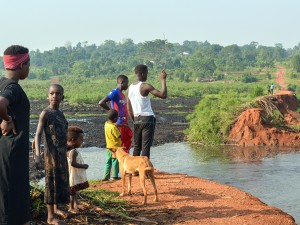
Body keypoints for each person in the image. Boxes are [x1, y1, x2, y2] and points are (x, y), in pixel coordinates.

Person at [0, 45, 31, 225]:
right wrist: (7, 118)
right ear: (21, 65)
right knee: (12, 192)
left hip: (5, 149)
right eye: (28, 63)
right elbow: (1, 104)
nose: (29, 68)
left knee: (6, 191)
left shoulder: (1, 83)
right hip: (13, 151)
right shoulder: (12, 88)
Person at [34, 84, 69, 225]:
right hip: (50, 156)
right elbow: (37, 135)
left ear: (62, 97)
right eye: (52, 93)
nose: (55, 96)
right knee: (51, 183)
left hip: (61, 155)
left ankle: (56, 208)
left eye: (58, 93)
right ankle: (50, 217)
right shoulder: (45, 113)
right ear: (47, 96)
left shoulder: (61, 114)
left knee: (61, 182)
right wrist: (37, 155)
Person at [127, 64, 167, 159]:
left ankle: (134, 169)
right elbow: (163, 95)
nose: (147, 76)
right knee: (145, 147)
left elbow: (129, 109)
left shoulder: (129, 88)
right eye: (146, 74)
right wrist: (163, 80)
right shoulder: (145, 86)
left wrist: (135, 120)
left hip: (137, 118)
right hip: (148, 118)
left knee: (137, 146)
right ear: (142, 73)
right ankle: (144, 170)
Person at [98, 75, 132, 153]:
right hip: (118, 123)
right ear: (121, 82)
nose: (127, 85)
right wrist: (111, 111)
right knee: (119, 148)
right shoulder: (115, 92)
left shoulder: (122, 95)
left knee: (126, 146)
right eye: (127, 83)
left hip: (124, 123)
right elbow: (101, 102)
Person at [66, 126, 89, 214]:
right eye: (81, 140)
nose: (82, 142)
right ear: (73, 140)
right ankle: (71, 207)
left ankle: (75, 204)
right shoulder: (73, 152)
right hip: (73, 175)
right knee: (72, 192)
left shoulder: (68, 150)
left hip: (72, 174)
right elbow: (73, 163)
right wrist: (84, 166)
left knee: (74, 191)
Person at [102, 109, 122, 181]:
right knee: (115, 161)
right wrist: (119, 128)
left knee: (108, 161)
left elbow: (112, 125)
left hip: (108, 146)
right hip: (115, 147)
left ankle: (106, 176)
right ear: (115, 118)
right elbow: (119, 136)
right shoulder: (114, 127)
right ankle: (115, 176)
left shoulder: (106, 124)